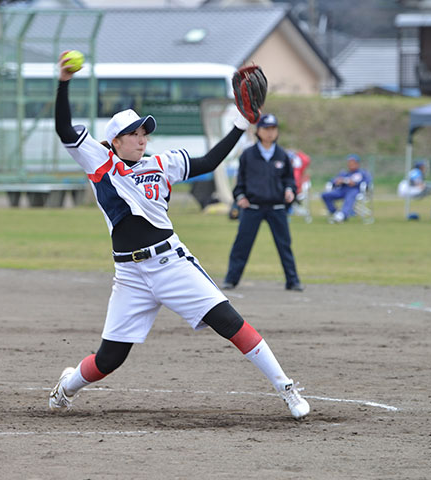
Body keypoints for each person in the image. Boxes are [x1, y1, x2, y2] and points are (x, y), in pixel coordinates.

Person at [49, 52, 310, 420]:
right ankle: (65, 389)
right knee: (110, 358)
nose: (141, 139)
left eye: (144, 132)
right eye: (133, 133)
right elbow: (64, 129)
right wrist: (64, 82)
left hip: (171, 262)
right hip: (130, 275)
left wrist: (240, 122)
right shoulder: (99, 162)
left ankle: (286, 388)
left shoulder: (162, 163)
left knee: (229, 322)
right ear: (114, 141)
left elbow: (209, 162)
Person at [222, 114, 303, 292]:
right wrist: (240, 196)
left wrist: (290, 191)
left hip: (277, 208)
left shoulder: (282, 155)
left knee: (284, 245)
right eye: (266, 129)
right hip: (252, 208)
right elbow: (240, 183)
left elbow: (290, 180)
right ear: (258, 131)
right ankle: (231, 279)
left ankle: (293, 280)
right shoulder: (248, 155)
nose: (269, 133)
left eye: (273, 129)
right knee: (241, 245)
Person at [321, 154, 369, 223]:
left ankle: (343, 214)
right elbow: (333, 181)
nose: (351, 165)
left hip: (355, 190)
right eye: (349, 163)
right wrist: (337, 181)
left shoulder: (362, 173)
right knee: (325, 195)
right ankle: (335, 212)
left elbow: (367, 182)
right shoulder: (344, 173)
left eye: (353, 163)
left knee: (350, 196)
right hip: (342, 190)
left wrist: (355, 183)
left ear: (357, 164)